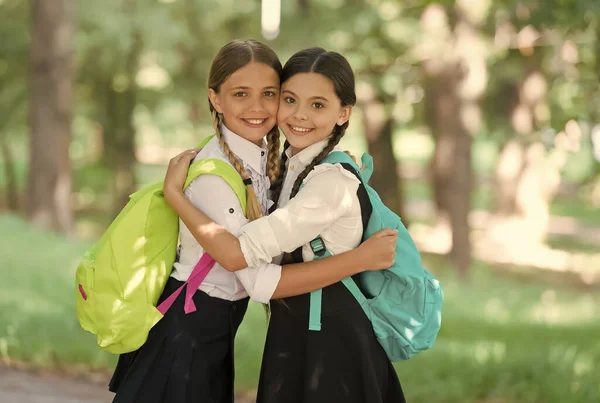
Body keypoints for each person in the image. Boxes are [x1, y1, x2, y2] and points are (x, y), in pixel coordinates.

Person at [111, 40, 398, 403]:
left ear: (344, 113)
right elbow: (248, 268)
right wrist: (175, 197)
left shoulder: (289, 167)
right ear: (216, 99)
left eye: (270, 94)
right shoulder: (222, 173)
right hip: (192, 328)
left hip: (294, 330)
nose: (259, 107)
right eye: (290, 99)